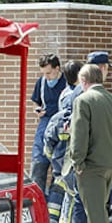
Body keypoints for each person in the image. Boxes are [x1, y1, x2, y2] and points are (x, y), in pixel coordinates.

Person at [60, 51, 112, 223]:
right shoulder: (81, 95)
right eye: (107, 68)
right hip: (86, 159)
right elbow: (73, 128)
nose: (108, 72)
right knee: (81, 201)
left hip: (89, 156)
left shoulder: (84, 93)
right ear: (101, 68)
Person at [69, 64, 112, 223]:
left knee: (96, 215)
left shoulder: (83, 100)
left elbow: (79, 135)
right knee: (98, 209)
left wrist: (77, 162)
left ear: (83, 80)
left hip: (91, 166)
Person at [43, 60, 83, 223]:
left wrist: (54, 159)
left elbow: (49, 144)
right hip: (70, 160)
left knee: (66, 197)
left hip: (61, 160)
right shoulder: (77, 95)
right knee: (72, 199)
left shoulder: (65, 93)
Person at [31, 53, 67, 194]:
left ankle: (54, 200)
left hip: (61, 124)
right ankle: (38, 198)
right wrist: (37, 109)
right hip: (45, 123)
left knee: (59, 163)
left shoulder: (67, 83)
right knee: (38, 160)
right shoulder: (41, 82)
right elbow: (36, 100)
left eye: (49, 73)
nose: (47, 77)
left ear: (57, 68)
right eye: (44, 73)